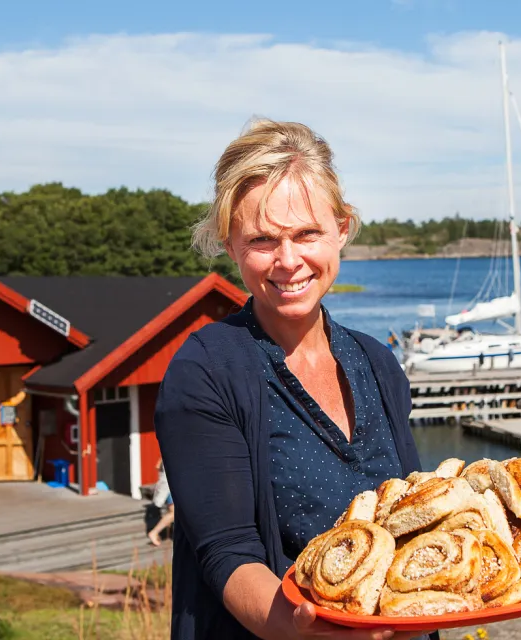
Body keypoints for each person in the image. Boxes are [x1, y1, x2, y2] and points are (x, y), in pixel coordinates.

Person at [154, 119, 429, 640]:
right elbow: (227, 553)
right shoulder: (206, 371)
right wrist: (311, 628)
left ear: (341, 229)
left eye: (307, 233)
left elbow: (410, 518)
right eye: (261, 240)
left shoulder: (378, 364)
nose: (288, 261)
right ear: (230, 246)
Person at [148, 459, 174, 546]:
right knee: (174, 513)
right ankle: (154, 532)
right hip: (170, 487)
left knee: (175, 514)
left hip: (169, 485)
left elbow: (157, 466)